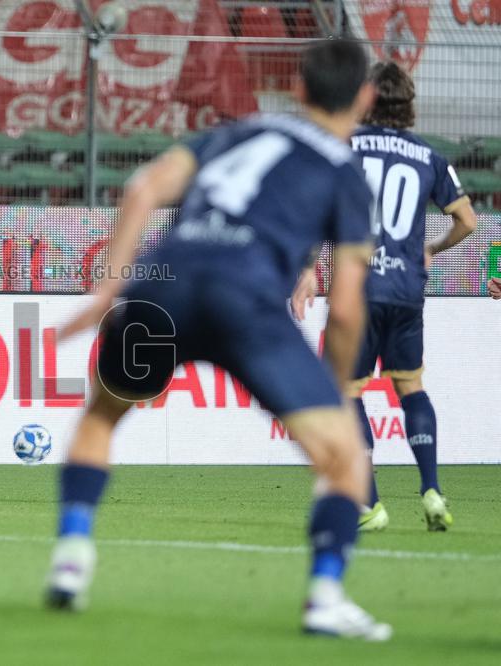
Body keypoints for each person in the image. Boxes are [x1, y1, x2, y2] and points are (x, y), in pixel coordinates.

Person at [47, 39, 391, 640]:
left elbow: (143, 188)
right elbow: (344, 308)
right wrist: (336, 389)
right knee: (345, 459)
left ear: (298, 88)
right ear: (365, 97)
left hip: (164, 289)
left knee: (102, 414)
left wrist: (108, 289)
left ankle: (72, 557)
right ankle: (325, 596)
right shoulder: (346, 177)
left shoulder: (237, 132)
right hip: (246, 302)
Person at [292, 61, 477, 532]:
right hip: (407, 289)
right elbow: (468, 221)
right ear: (409, 105)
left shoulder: (344, 145)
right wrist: (431, 250)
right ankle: (432, 490)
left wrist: (309, 269)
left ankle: (369, 505)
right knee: (411, 387)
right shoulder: (429, 155)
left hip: (357, 288)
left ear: (367, 99)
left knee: (344, 391)